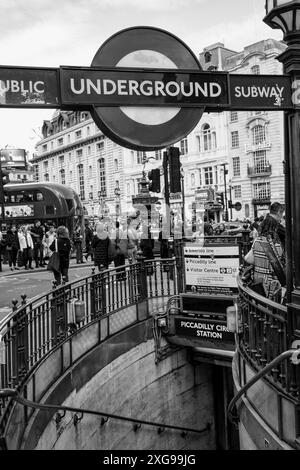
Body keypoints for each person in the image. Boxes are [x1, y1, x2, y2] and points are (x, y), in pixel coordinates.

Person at [251, 213, 286, 301]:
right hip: (271, 283)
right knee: (271, 309)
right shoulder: (277, 245)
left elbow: (251, 259)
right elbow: (276, 267)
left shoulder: (256, 241)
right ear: (274, 228)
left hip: (257, 280)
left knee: (259, 308)